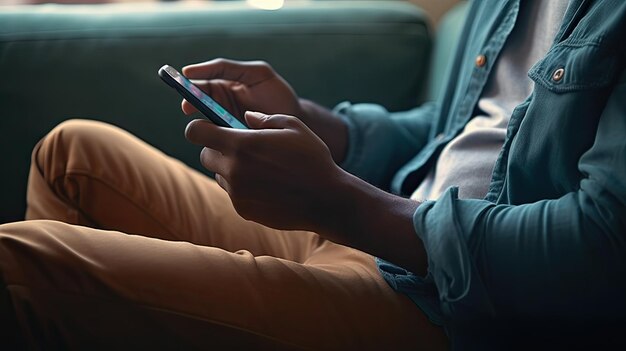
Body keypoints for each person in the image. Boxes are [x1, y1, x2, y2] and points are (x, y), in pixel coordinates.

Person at [1, 0, 625, 349]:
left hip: (453, 311)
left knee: (19, 263)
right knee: (72, 155)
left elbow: (602, 252)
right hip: (381, 234)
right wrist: (316, 126)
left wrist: (342, 205)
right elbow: (462, 129)